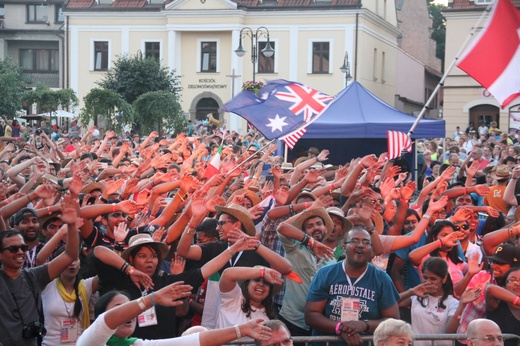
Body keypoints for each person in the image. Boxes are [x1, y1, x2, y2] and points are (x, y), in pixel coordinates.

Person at [76, 281, 273, 346]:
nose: (130, 314)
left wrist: (242, 330)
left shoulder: (136, 344)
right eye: (119, 308)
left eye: (130, 307)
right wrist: (150, 300)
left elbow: (193, 341)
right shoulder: (90, 341)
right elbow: (106, 322)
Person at [0, 194, 80, 346]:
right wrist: (33, 195)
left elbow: (70, 255)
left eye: (23, 248)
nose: (20, 252)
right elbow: (2, 214)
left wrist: (71, 225)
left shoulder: (33, 276)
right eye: (13, 248)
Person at [304, 227, 400, 346]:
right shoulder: (325, 274)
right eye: (354, 241)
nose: (360, 245)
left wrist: (364, 325)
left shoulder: (382, 279)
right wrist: (340, 328)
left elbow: (393, 321)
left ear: (371, 250)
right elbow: (311, 315)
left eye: (366, 242)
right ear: (343, 247)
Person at [397, 257, 462, 346]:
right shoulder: (416, 297)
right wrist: (411, 292)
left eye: (433, 279)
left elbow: (450, 331)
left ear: (444, 279)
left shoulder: (452, 302)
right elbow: (391, 303)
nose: (428, 282)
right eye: (425, 278)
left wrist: (462, 304)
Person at [41, 247, 99, 345]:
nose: (72, 263)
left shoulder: (86, 286)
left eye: (75, 259)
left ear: (80, 264)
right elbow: (40, 259)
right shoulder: (47, 285)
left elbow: (108, 272)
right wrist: (62, 232)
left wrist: (118, 244)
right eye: (67, 260)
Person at [216, 266, 283, 329]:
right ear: (247, 285)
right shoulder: (233, 299)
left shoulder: (269, 318)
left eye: (266, 282)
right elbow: (227, 275)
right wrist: (262, 272)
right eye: (257, 280)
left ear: (269, 291)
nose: (261, 284)